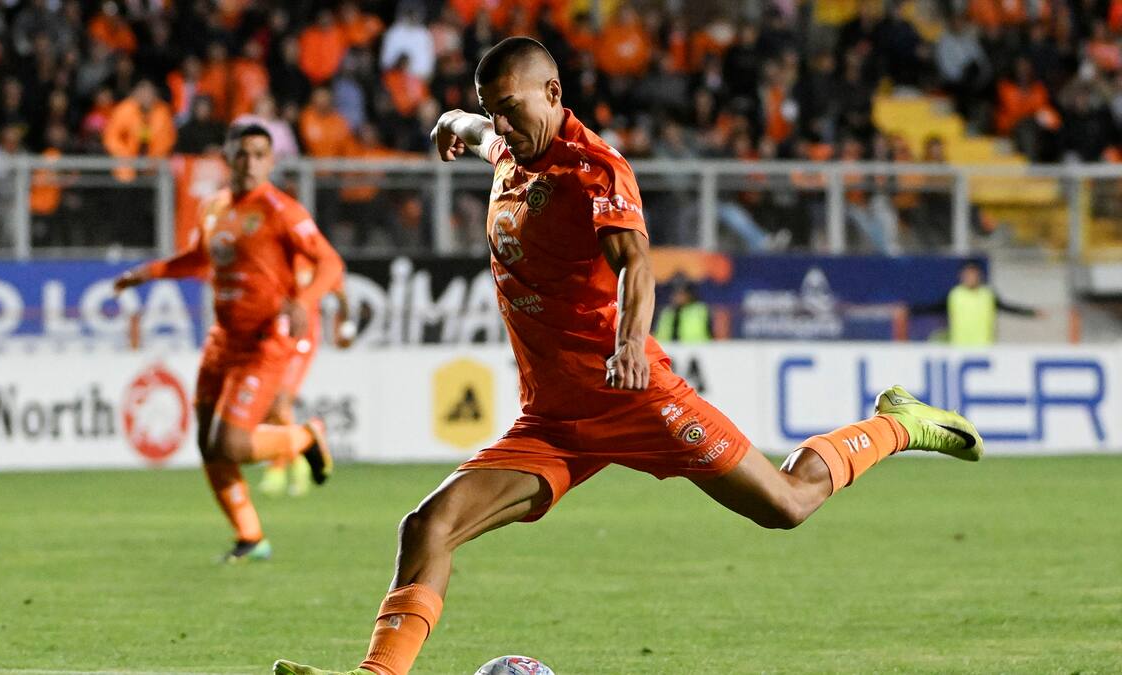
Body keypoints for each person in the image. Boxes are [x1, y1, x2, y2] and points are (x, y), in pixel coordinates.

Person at [273, 38, 985, 675]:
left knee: (787, 504)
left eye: (511, 109)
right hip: (551, 418)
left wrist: (627, 345)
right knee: (427, 526)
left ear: (553, 95)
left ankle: (897, 423)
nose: (502, 125)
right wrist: (454, 125)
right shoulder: (507, 148)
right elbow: (474, 127)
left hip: (632, 394)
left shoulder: (596, 169)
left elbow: (635, 265)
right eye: (492, 111)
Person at [114, 123, 344, 562]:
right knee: (208, 446)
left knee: (232, 444)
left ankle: (305, 438)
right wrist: (151, 271)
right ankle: (251, 538)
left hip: (263, 342)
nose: (250, 162)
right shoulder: (214, 206)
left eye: (260, 154)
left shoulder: (282, 210)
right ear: (227, 157)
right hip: (222, 341)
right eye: (242, 154)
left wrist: (304, 300)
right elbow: (199, 258)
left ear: (270, 161)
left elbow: (330, 262)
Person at [259, 263, 356, 498]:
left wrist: (345, 328)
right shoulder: (274, 254)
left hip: (301, 340)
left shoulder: (312, 258)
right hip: (274, 339)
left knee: (280, 403)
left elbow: (340, 292)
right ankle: (303, 448)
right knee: (269, 408)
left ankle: (283, 468)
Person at [915, 260, 1042, 346]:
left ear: (979, 276)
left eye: (973, 274)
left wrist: (1030, 312)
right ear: (961, 276)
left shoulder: (987, 295)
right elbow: (931, 308)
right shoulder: (954, 295)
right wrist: (909, 310)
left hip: (985, 347)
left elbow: (1008, 308)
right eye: (967, 275)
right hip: (960, 348)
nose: (970, 278)